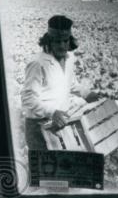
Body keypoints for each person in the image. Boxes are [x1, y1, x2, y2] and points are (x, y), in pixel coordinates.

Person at [20, 15, 102, 151]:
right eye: (57, 42)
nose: (62, 46)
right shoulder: (38, 63)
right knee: (43, 170)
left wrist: (87, 94)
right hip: (38, 127)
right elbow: (27, 98)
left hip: (61, 124)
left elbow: (70, 84)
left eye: (65, 41)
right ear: (48, 41)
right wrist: (52, 112)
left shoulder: (69, 59)